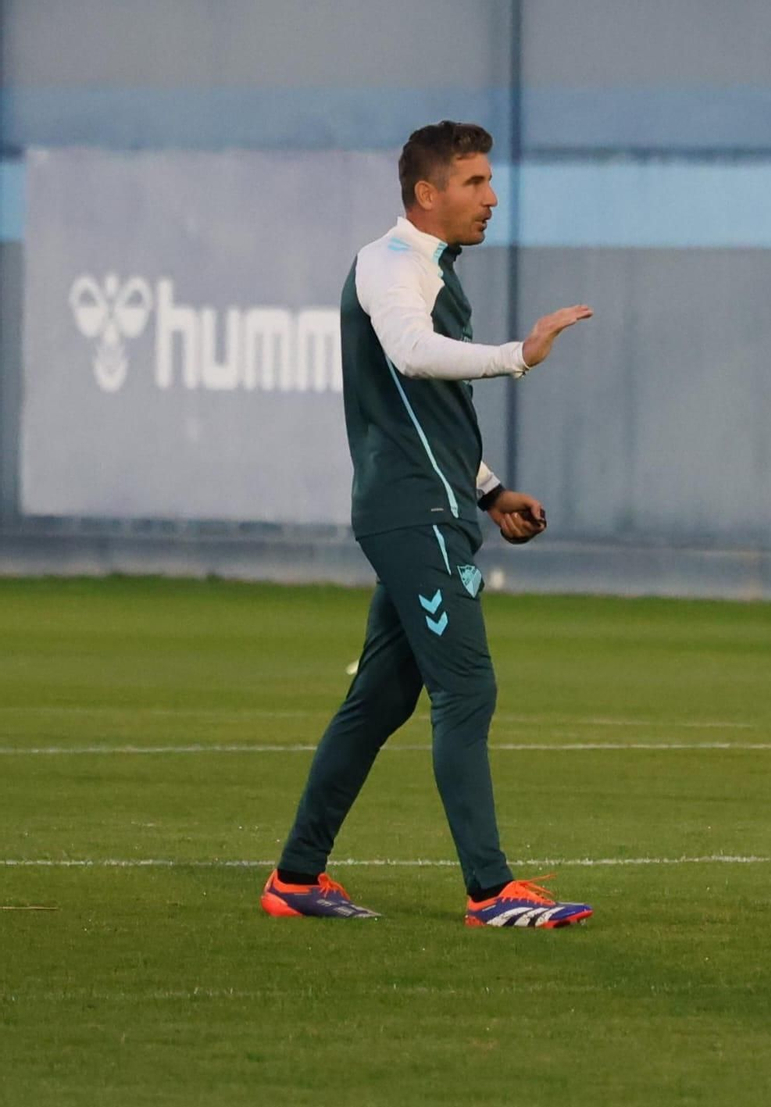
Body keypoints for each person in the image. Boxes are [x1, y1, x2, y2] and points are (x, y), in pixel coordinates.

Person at [261, 120, 595, 929]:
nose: (491, 197)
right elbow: (412, 353)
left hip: (436, 506)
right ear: (426, 192)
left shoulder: (435, 270)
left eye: (489, 180)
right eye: (475, 182)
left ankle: (296, 877)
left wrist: (491, 490)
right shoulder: (388, 263)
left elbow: (430, 410)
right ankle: (491, 891)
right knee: (466, 687)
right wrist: (519, 353)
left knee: (378, 702)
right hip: (411, 513)